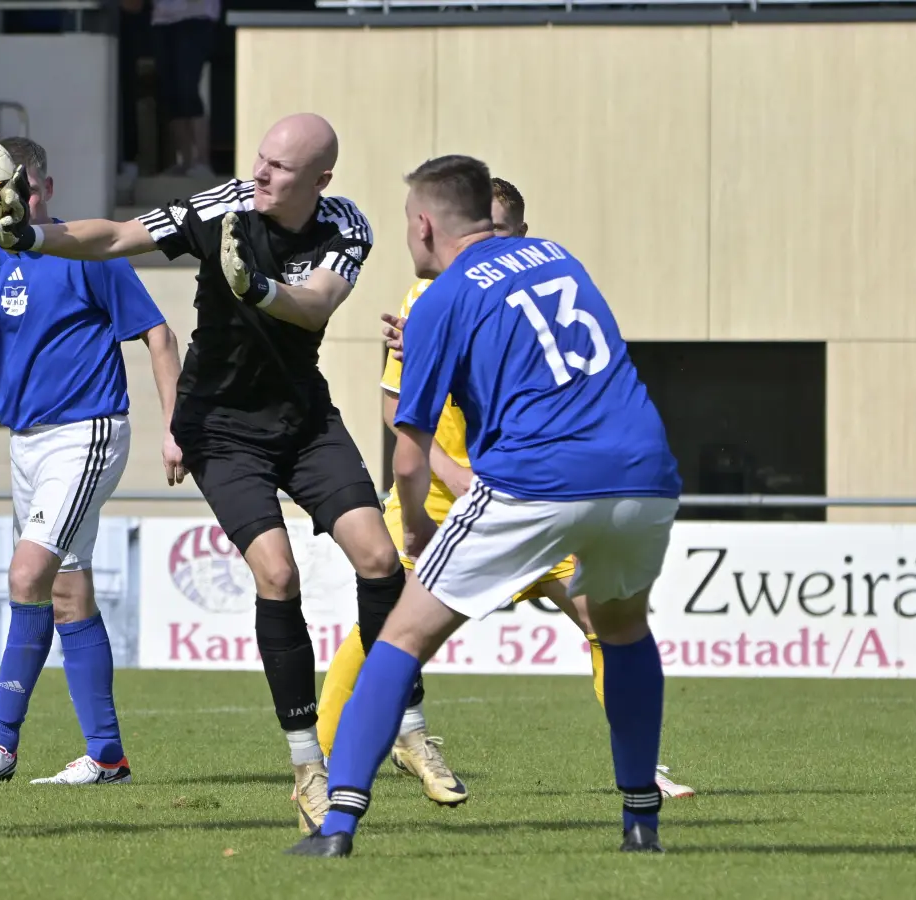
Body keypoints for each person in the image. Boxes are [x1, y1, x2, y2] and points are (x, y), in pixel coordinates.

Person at [0, 113, 406, 833]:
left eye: (280, 167)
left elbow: (313, 308)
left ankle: (410, 724)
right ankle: (307, 763)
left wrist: (261, 292)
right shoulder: (221, 206)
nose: (262, 173)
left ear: (321, 181)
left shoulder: (346, 224)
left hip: (305, 420)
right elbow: (117, 237)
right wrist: (37, 236)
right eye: (261, 158)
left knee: (380, 557)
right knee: (278, 574)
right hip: (221, 426)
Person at [287, 155, 682, 858]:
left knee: (400, 638)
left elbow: (408, 454)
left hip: (534, 482)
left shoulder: (435, 299)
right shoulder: (557, 257)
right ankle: (640, 820)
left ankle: (338, 825)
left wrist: (416, 525)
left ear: (425, 223)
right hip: (642, 473)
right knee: (621, 632)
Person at [0, 136, 186, 786]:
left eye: (27, 189)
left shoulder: (82, 248)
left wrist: (174, 427)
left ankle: (0, 742)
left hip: (88, 430)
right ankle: (107, 757)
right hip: (28, 442)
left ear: (40, 186)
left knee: (25, 577)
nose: (20, 203)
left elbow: (158, 332)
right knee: (69, 592)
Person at [151, 0, 219, 176]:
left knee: (188, 88)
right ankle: (185, 160)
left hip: (196, 18)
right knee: (170, 92)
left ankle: (203, 161)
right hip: (162, 20)